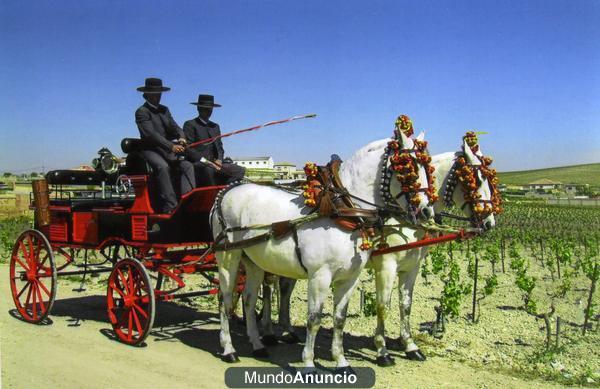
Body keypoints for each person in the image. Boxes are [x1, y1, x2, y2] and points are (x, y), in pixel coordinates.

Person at [135, 78, 196, 213]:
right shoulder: (142, 112)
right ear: (147, 95)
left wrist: (181, 137)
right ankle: (171, 205)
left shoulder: (165, 110)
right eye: (155, 93)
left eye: (159, 93)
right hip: (150, 149)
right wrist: (171, 146)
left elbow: (175, 127)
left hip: (167, 149)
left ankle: (189, 201)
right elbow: (151, 134)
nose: (158, 96)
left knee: (187, 166)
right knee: (163, 167)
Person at [183, 94, 245, 186]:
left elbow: (220, 148)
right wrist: (207, 162)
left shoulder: (215, 127)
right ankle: (211, 194)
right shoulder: (190, 124)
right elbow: (189, 149)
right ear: (198, 109)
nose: (208, 111)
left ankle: (222, 190)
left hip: (216, 163)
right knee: (208, 169)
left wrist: (219, 160)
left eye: (210, 109)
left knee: (239, 170)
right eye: (205, 109)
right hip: (199, 163)